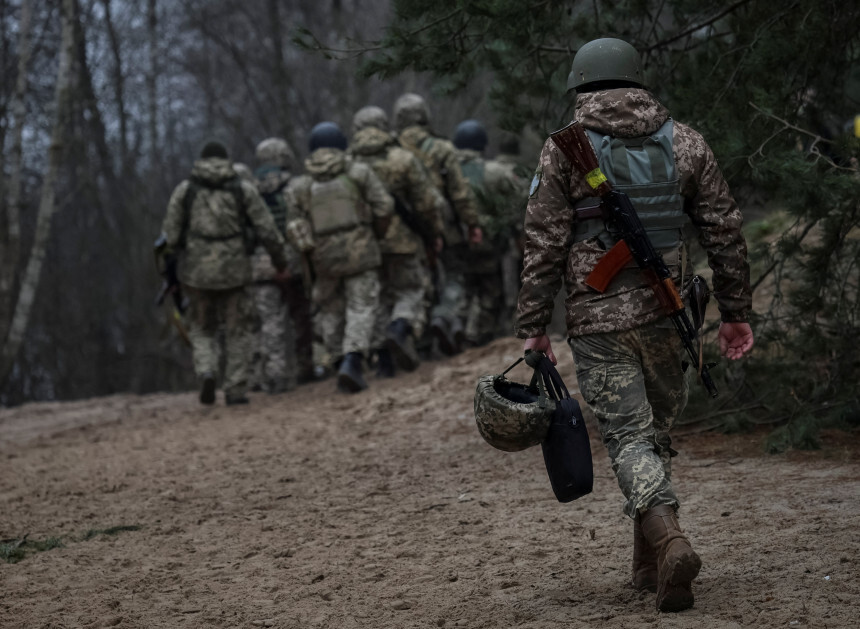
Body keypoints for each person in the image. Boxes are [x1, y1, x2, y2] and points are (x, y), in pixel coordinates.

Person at [515, 38, 754, 612]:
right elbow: (724, 228)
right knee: (653, 435)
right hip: (670, 316)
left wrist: (532, 322)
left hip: (598, 322)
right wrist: (735, 312)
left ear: (580, 85)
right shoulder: (685, 141)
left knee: (628, 437)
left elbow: (543, 241)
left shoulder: (563, 150)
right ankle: (648, 566)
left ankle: (669, 540)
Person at [159, 141, 290, 405]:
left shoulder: (185, 191)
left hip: (197, 272)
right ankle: (235, 389)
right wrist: (280, 261)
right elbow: (266, 229)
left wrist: (169, 272)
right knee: (238, 329)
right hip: (236, 270)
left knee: (201, 327)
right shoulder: (243, 189)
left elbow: (168, 238)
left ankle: (207, 370)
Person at [286, 122, 394, 393]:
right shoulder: (358, 172)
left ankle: (337, 359)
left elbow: (294, 224)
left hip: (323, 257)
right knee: (361, 306)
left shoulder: (302, 184)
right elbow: (384, 207)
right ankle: (353, 360)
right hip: (360, 249)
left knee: (331, 308)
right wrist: (375, 234)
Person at [349, 106, 445, 376]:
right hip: (403, 240)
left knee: (378, 298)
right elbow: (426, 203)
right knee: (411, 290)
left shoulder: (348, 164)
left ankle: (384, 363)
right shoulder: (402, 158)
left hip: (365, 243)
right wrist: (435, 233)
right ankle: (400, 327)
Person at [392, 93, 482, 355]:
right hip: (446, 226)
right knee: (454, 276)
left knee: (419, 284)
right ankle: (443, 318)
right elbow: (459, 192)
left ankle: (421, 345)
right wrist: (472, 223)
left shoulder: (392, 151)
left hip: (405, 230)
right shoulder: (442, 148)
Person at [452, 119, 526, 345]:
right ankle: (476, 337)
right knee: (490, 291)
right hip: (485, 243)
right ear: (482, 145)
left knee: (463, 286)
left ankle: (454, 322)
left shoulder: (445, 171)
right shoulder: (493, 172)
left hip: (453, 242)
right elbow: (519, 197)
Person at [251, 137, 315, 392]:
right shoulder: (297, 186)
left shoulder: (250, 190)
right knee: (303, 316)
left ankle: (275, 375)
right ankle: (305, 367)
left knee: (270, 322)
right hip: (295, 260)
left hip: (262, 264)